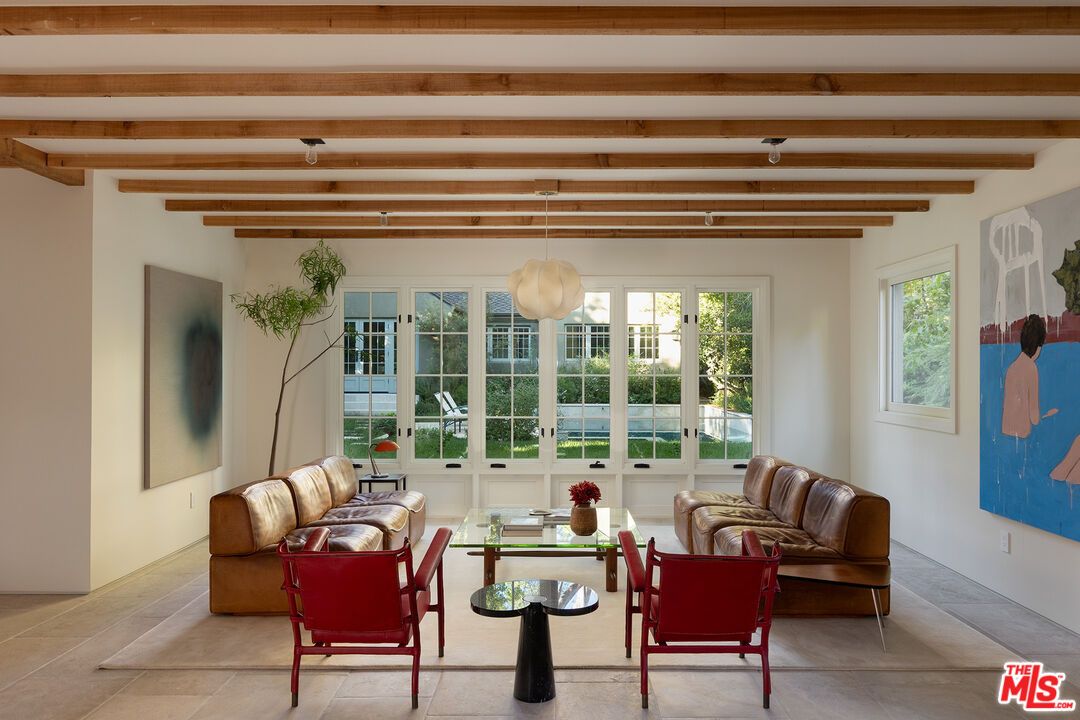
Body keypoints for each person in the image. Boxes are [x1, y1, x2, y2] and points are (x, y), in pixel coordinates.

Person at [1001, 314, 1058, 439]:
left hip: (1006, 432)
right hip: (1022, 437)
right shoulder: (1031, 368)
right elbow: (1035, 418)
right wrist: (1048, 414)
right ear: (1038, 346)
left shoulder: (1012, 368)